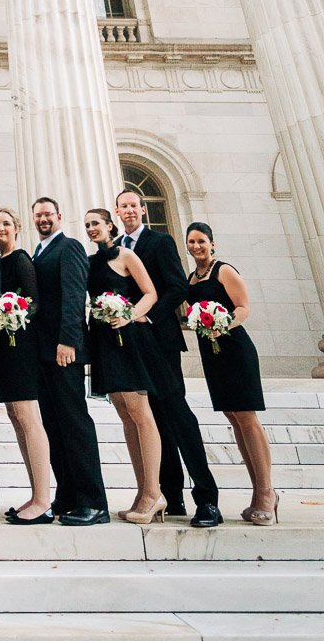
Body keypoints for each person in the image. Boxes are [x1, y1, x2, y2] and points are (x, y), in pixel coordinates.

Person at [115, 189, 221, 527]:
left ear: (142, 210)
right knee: (154, 419)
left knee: (177, 415)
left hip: (159, 341)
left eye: (134, 205)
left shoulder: (159, 243)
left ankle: (206, 498)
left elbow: (177, 287)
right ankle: (170, 497)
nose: (129, 210)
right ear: (118, 212)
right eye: (124, 206)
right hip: (131, 347)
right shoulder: (117, 248)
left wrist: (147, 316)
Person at [85, 208, 175, 525]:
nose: (91, 228)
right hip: (103, 341)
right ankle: (142, 493)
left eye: (95, 223)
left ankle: (154, 492)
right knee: (125, 413)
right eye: (87, 225)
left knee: (140, 411)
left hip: (128, 338)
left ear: (110, 225)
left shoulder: (126, 255)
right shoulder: (91, 261)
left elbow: (151, 293)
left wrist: (130, 314)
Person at [185, 221, 275, 525]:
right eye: (192, 242)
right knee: (234, 418)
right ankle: (257, 493)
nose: (196, 246)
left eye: (201, 241)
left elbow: (243, 306)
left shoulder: (223, 270)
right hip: (213, 354)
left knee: (247, 418)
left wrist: (221, 324)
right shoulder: (192, 277)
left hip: (235, 349)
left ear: (212, 243)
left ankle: (266, 493)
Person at [31, 196, 108, 526]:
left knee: (75, 424)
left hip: (64, 352)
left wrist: (69, 341)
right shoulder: (39, 251)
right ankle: (67, 495)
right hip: (43, 353)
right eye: (39, 215)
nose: (44, 219)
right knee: (53, 425)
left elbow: (76, 296)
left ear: (59, 216)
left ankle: (93, 501)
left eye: (48, 214)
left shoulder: (70, 247)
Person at [0, 207, 52, 524]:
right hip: (4, 347)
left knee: (28, 415)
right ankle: (33, 495)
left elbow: (34, 299)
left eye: (6, 223)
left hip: (22, 345)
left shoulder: (21, 259)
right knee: (16, 416)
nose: (1, 227)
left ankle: (43, 499)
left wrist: (15, 316)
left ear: (17, 228)